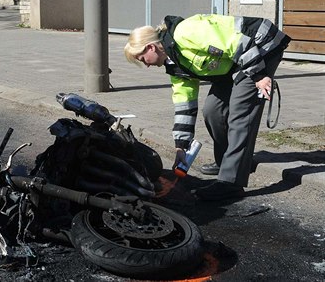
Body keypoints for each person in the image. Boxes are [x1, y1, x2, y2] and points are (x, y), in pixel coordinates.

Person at [124, 14, 290, 201]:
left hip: (259, 46)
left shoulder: (186, 32)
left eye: (142, 59)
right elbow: (184, 105)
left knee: (241, 112)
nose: (145, 65)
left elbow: (237, 43)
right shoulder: (174, 65)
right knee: (213, 111)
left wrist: (259, 75)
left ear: (151, 47)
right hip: (234, 62)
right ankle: (230, 162)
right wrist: (181, 147)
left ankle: (231, 183)